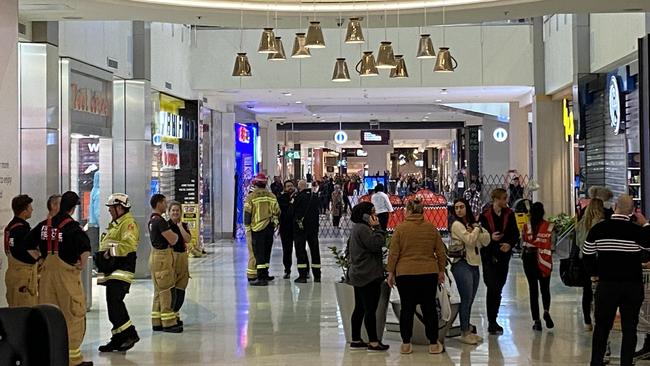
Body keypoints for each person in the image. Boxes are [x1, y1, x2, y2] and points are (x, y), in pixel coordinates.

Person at [583, 195, 650, 366]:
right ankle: (626, 363)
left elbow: (587, 254)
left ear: (614, 207)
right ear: (633, 211)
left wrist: (594, 273)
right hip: (632, 286)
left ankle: (596, 362)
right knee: (629, 329)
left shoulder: (598, 229)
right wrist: (646, 224)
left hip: (607, 285)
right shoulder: (637, 231)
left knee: (602, 328)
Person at [34, 191, 93, 366]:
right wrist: (81, 265)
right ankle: (72, 360)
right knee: (73, 313)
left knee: (48, 313)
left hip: (46, 277)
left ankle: (51, 356)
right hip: (66, 277)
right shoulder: (73, 228)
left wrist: (40, 259)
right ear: (73, 208)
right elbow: (84, 250)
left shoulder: (45, 225)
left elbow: (27, 244)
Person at [387, 198, 447, 355]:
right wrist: (441, 270)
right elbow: (440, 252)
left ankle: (406, 344)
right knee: (429, 308)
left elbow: (394, 253)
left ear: (408, 211)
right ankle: (433, 343)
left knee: (407, 308)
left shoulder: (400, 229)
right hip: (428, 273)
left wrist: (390, 272)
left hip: (405, 274)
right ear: (423, 212)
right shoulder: (431, 228)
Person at [96, 193, 140, 352]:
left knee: (115, 303)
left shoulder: (128, 223)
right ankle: (117, 338)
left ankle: (129, 334)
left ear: (120, 207)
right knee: (112, 305)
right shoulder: (116, 223)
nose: (109, 211)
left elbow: (128, 245)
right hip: (112, 270)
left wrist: (108, 253)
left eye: (111, 208)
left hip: (121, 270)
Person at [347, 202, 389, 352]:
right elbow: (376, 244)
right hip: (368, 275)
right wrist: (378, 228)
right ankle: (373, 341)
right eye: (372, 212)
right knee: (370, 308)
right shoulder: (364, 229)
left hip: (359, 273)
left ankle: (356, 338)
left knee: (359, 307)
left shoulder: (357, 228)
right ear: (365, 215)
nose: (375, 215)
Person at [449, 198, 490, 345]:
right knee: (465, 299)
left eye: (461, 207)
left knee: (470, 300)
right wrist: (477, 229)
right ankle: (465, 331)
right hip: (462, 264)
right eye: (456, 207)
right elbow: (471, 241)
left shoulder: (471, 224)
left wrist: (476, 231)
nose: (459, 210)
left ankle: (466, 328)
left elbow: (486, 240)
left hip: (474, 264)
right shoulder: (456, 225)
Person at [479, 188, 520, 335]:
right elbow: (480, 236)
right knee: (492, 287)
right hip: (489, 256)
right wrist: (491, 239)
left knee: (499, 288)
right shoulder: (485, 216)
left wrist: (509, 244)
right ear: (495, 199)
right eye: (503, 198)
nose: (506, 201)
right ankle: (491, 321)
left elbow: (515, 233)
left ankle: (494, 319)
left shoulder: (509, 214)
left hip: (504, 256)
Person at [148, 193, 182, 333]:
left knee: (159, 291)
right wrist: (175, 234)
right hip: (162, 257)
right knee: (167, 290)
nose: (166, 205)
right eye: (164, 202)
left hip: (155, 257)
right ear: (159, 203)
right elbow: (173, 239)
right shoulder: (160, 221)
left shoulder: (151, 220)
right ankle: (168, 323)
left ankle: (157, 321)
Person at [521, 202, 555, 331]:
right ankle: (546, 310)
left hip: (529, 260)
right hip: (544, 260)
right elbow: (553, 246)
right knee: (545, 288)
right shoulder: (549, 226)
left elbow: (521, 244)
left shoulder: (526, 227)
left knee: (533, 290)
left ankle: (536, 321)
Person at [244, 173, 280, 287]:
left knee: (258, 253)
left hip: (256, 229)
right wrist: (274, 223)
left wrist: (247, 228)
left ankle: (261, 278)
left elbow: (247, 214)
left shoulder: (251, 197)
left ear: (255, 183)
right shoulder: (271, 196)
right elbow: (278, 211)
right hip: (269, 228)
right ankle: (265, 274)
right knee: (266, 252)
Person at [575, 198, 605, 331]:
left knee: (586, 292)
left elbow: (576, 243)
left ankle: (587, 321)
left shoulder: (581, 223)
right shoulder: (602, 224)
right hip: (598, 261)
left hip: (583, 261)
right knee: (600, 292)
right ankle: (600, 319)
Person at [4, 194, 38, 307]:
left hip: (13, 274)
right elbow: (27, 252)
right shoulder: (22, 230)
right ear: (24, 210)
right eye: (30, 207)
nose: (32, 209)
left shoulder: (10, 227)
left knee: (14, 307)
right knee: (25, 311)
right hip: (24, 277)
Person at [293, 180, 322, 283]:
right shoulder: (314, 197)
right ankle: (317, 275)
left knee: (300, 251)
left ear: (299, 187)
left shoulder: (298, 197)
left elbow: (293, 211)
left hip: (301, 228)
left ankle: (303, 275)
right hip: (313, 228)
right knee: (315, 250)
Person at [167, 201, 191, 324]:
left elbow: (187, 239)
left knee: (181, 287)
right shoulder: (165, 226)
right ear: (169, 212)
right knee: (171, 288)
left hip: (183, 258)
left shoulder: (184, 225)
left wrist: (180, 226)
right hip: (171, 258)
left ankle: (176, 313)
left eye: (177, 210)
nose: (175, 213)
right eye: (173, 210)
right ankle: (170, 315)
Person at [277, 180, 296, 279]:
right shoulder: (281, 198)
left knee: (300, 250)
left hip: (296, 228)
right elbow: (286, 210)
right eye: (288, 186)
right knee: (287, 250)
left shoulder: (297, 197)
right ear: (284, 188)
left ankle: (305, 271)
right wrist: (291, 203)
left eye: (291, 186)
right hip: (285, 228)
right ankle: (287, 270)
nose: (290, 188)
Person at [244, 184, 258, 282]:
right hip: (252, 229)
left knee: (255, 252)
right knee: (253, 252)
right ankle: (252, 275)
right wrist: (248, 228)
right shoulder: (250, 199)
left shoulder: (250, 199)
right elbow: (247, 215)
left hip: (254, 228)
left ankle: (256, 273)